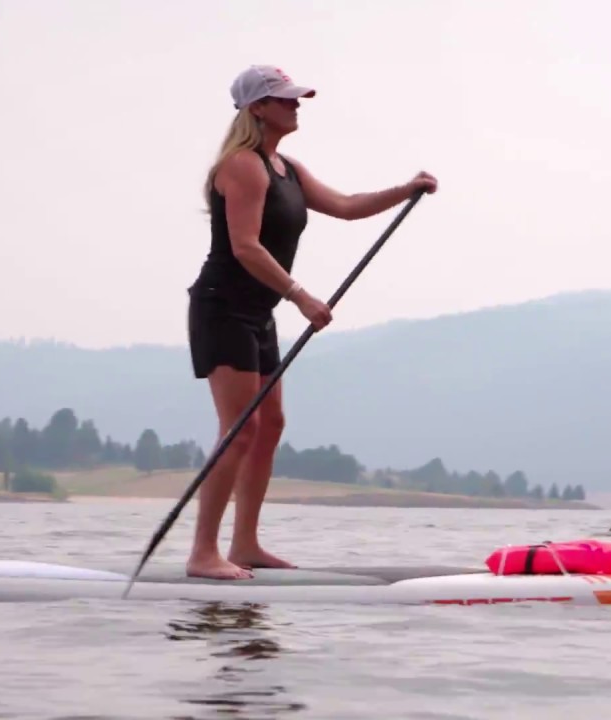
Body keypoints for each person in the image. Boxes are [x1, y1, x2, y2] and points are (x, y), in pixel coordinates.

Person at [184, 65, 438, 580]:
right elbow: (245, 246)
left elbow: (345, 207)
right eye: (285, 99)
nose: (296, 105)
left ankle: (246, 543)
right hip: (222, 307)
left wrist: (406, 189)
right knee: (240, 428)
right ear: (257, 107)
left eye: (296, 99)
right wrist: (301, 296)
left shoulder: (288, 169)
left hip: (257, 313)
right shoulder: (242, 166)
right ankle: (202, 553)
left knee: (270, 424)